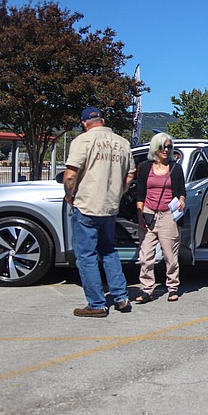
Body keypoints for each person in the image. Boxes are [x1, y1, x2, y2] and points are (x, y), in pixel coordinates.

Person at [63, 107, 136, 317]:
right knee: (109, 250)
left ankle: (96, 304)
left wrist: (70, 196)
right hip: (110, 207)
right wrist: (118, 193)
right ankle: (121, 298)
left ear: (84, 123)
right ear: (103, 121)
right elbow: (130, 174)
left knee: (86, 255)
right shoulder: (122, 143)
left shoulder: (83, 141)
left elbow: (69, 175)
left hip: (87, 205)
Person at [135, 133, 186, 303]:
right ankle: (147, 289)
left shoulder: (175, 168)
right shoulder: (144, 167)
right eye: (163, 146)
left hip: (168, 216)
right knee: (145, 256)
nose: (166, 150)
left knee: (170, 256)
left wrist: (181, 201)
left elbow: (181, 191)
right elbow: (140, 192)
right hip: (149, 214)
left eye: (169, 147)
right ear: (155, 148)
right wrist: (140, 214)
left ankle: (172, 287)